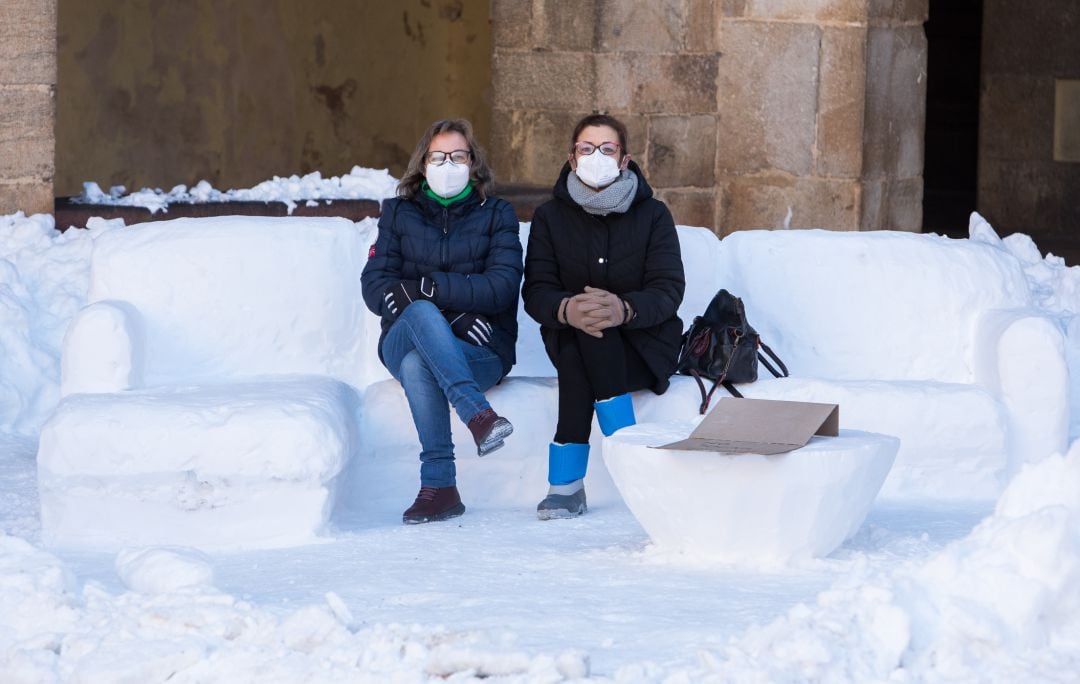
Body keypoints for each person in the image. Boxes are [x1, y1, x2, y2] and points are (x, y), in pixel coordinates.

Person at [523, 113, 686, 520]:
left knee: (591, 335)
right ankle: (633, 462)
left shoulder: (653, 215)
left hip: (643, 344)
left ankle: (566, 485)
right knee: (588, 331)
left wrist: (623, 309)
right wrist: (567, 309)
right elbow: (537, 291)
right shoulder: (549, 217)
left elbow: (668, 290)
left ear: (625, 159)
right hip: (571, 334)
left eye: (607, 149)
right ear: (572, 157)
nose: (597, 156)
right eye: (586, 148)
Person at [361, 118, 522, 524]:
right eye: (438, 157)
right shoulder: (398, 214)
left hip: (481, 350)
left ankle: (440, 488)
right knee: (418, 312)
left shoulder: (498, 214)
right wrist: (450, 310)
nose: (447, 164)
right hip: (401, 337)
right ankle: (479, 416)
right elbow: (376, 287)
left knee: (420, 362)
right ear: (423, 163)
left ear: (473, 163)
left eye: (457, 156)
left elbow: (501, 287)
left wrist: (427, 290)